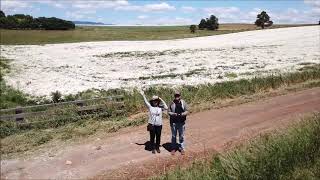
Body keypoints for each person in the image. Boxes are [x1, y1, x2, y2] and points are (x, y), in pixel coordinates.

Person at [139, 90, 168, 154]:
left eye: (156, 101)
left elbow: (166, 107)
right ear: (152, 102)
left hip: (159, 125)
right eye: (154, 101)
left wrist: (160, 98)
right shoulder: (150, 107)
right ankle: (153, 148)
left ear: (158, 102)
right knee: (152, 137)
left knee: (158, 137)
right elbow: (145, 102)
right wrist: (143, 95)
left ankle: (157, 147)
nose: (155, 102)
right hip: (152, 125)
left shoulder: (160, 108)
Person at [168, 91, 189, 155]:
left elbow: (187, 111)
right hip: (173, 123)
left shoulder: (183, 102)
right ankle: (173, 148)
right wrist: (174, 114)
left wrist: (182, 114)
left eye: (178, 95)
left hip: (181, 122)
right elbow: (168, 112)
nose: (177, 97)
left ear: (180, 96)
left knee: (181, 136)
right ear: (174, 96)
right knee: (174, 136)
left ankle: (181, 148)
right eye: (176, 95)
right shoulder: (171, 103)